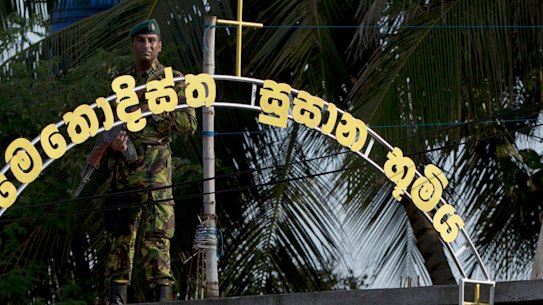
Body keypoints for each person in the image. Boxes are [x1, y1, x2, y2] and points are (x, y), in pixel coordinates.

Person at [105, 18, 197, 304]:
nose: (146, 45)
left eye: (151, 41)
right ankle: (117, 297)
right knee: (121, 237)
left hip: (156, 172)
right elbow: (106, 128)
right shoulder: (121, 84)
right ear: (133, 44)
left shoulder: (173, 81)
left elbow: (188, 122)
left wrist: (152, 109)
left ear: (159, 46)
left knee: (157, 236)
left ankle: (161, 295)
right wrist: (115, 144)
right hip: (125, 172)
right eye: (141, 40)